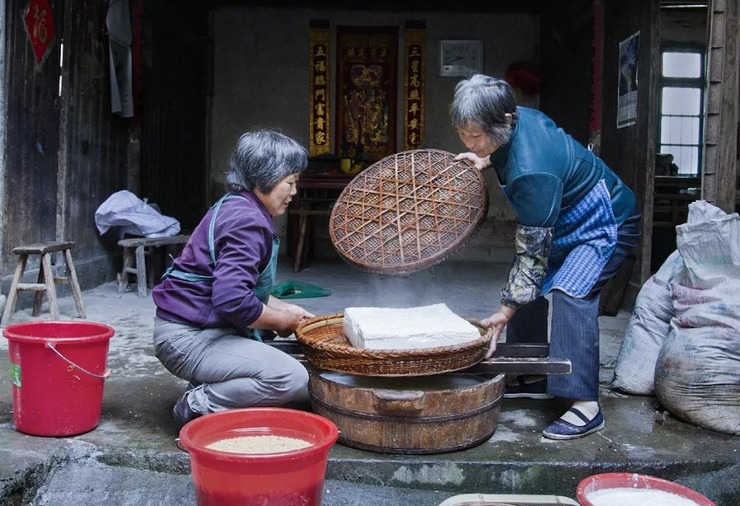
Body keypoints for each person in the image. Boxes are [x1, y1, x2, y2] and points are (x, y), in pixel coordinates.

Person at [450, 74, 640, 440]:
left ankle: (585, 404)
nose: (469, 142)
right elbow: (532, 257)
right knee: (526, 286)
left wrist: (503, 313)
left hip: (604, 220)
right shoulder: (518, 116)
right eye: (463, 133)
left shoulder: (532, 170)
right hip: (562, 218)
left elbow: (533, 254)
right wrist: (484, 158)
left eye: (476, 136)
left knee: (571, 291)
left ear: (504, 120)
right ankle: (532, 370)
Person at [152, 128, 314, 428]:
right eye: (290, 182)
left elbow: (237, 285)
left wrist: (284, 309)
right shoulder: (248, 222)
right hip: (186, 338)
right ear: (264, 178)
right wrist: (282, 322)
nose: (294, 192)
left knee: (269, 340)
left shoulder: (235, 204)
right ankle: (196, 405)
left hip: (191, 330)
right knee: (291, 379)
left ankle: (208, 385)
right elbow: (232, 300)